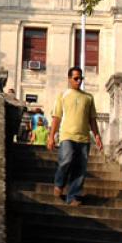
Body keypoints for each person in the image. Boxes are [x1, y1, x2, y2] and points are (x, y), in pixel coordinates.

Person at [48, 67, 104, 206]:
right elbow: (56, 117)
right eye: (76, 78)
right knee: (66, 160)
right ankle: (59, 183)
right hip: (67, 135)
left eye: (80, 78)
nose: (79, 81)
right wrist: (51, 136)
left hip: (84, 138)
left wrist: (97, 136)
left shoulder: (88, 97)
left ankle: (73, 196)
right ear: (69, 79)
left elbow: (92, 119)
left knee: (80, 169)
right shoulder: (63, 95)